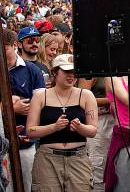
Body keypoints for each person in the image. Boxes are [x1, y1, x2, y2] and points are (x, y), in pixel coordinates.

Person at [26, 54, 98, 191]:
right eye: (66, 71)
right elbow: (30, 131)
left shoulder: (86, 95)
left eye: (74, 72)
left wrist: (80, 127)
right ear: (54, 72)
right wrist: (54, 127)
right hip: (48, 159)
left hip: (78, 157)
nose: (71, 75)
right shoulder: (41, 96)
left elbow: (93, 131)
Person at [4, 28, 45, 192]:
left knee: (27, 185)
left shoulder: (32, 70)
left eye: (3, 47)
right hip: (2, 143)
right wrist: (11, 108)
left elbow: (40, 105)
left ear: (14, 45)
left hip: (25, 143)